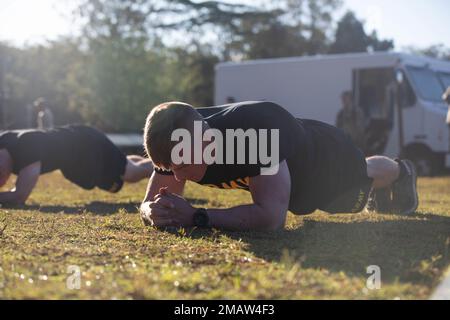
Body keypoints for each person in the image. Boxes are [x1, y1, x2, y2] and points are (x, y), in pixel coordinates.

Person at [140, 101, 419, 231]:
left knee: (359, 180)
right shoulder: (177, 140)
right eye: (166, 166)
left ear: (210, 143)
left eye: (184, 165)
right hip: (280, 168)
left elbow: (272, 219)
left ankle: (401, 172)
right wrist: (151, 211)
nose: (174, 176)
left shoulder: (255, 136)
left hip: (322, 158)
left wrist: (197, 216)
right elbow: (148, 203)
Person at [0, 124, 153, 205]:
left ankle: (165, 167)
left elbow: (19, 197)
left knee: (131, 174)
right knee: (126, 164)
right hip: (80, 141)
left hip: (87, 147)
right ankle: (156, 163)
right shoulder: (5, 141)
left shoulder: (26, 147)